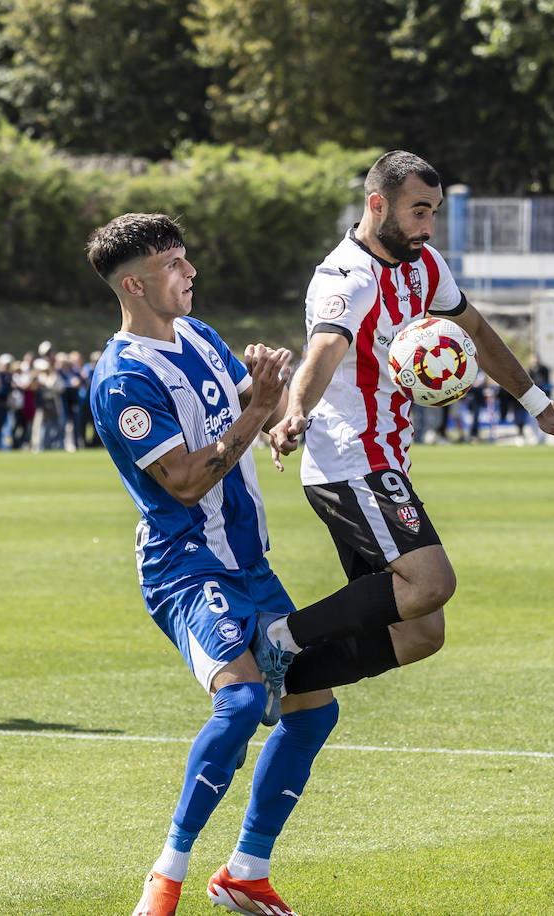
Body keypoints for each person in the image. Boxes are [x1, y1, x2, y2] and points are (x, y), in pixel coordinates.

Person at [88, 214, 414, 916]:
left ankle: (245, 872)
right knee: (238, 702)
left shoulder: (200, 337)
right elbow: (184, 481)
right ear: (137, 284)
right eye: (176, 263)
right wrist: (258, 408)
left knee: (311, 711)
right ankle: (166, 877)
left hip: (247, 562)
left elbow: (248, 406)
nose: (191, 271)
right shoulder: (120, 380)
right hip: (184, 567)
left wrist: (280, 412)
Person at [267, 150, 554, 699]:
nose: (429, 226)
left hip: (387, 461)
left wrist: (538, 404)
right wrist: (296, 408)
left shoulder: (427, 265)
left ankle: (279, 683)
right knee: (431, 583)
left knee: (421, 632)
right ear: (377, 205)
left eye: (435, 212)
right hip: (351, 460)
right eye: (419, 211)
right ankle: (279, 638)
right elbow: (325, 347)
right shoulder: (346, 277)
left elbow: (479, 331)